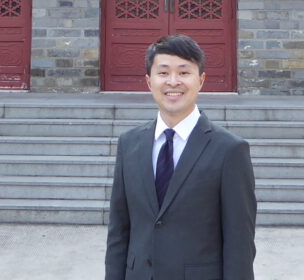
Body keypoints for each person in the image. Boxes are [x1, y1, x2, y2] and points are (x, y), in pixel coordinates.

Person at [105, 34, 257, 280]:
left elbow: (239, 243)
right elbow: (119, 232)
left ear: (201, 80)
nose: (173, 82)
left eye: (184, 73)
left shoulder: (229, 150)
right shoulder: (129, 144)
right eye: (163, 73)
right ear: (148, 81)